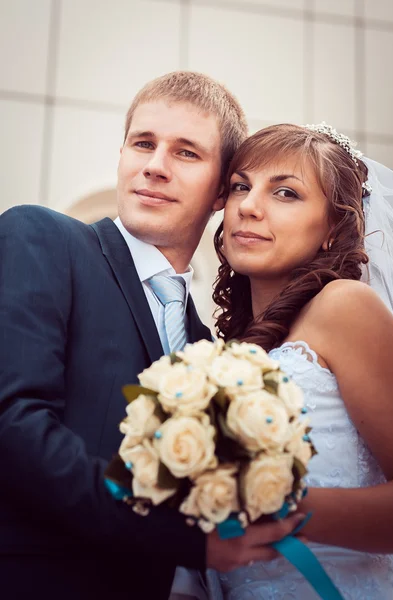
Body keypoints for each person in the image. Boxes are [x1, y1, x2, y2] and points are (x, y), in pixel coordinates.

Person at [0, 73, 305, 600]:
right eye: (143, 143)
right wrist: (181, 539)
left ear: (220, 193)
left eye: (186, 153)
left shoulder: (209, 345)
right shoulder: (43, 237)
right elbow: (11, 423)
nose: (155, 166)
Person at [209, 123, 393, 599]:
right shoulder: (224, 351)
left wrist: (277, 505)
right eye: (240, 186)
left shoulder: (345, 308)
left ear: (333, 229)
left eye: (286, 193)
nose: (249, 206)